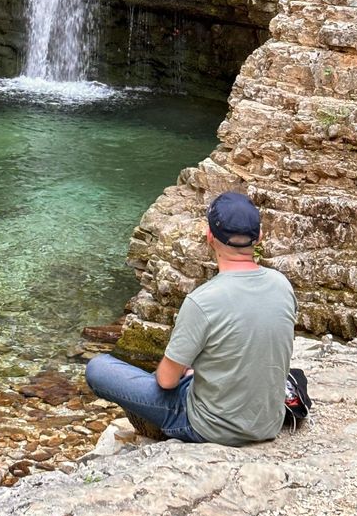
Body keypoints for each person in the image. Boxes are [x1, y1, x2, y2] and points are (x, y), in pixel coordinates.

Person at [85, 191, 297, 447]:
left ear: (210, 237)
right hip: (267, 423)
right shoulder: (282, 285)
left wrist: (185, 369)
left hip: (209, 427)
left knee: (99, 368)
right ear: (259, 236)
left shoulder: (203, 300)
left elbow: (166, 381)